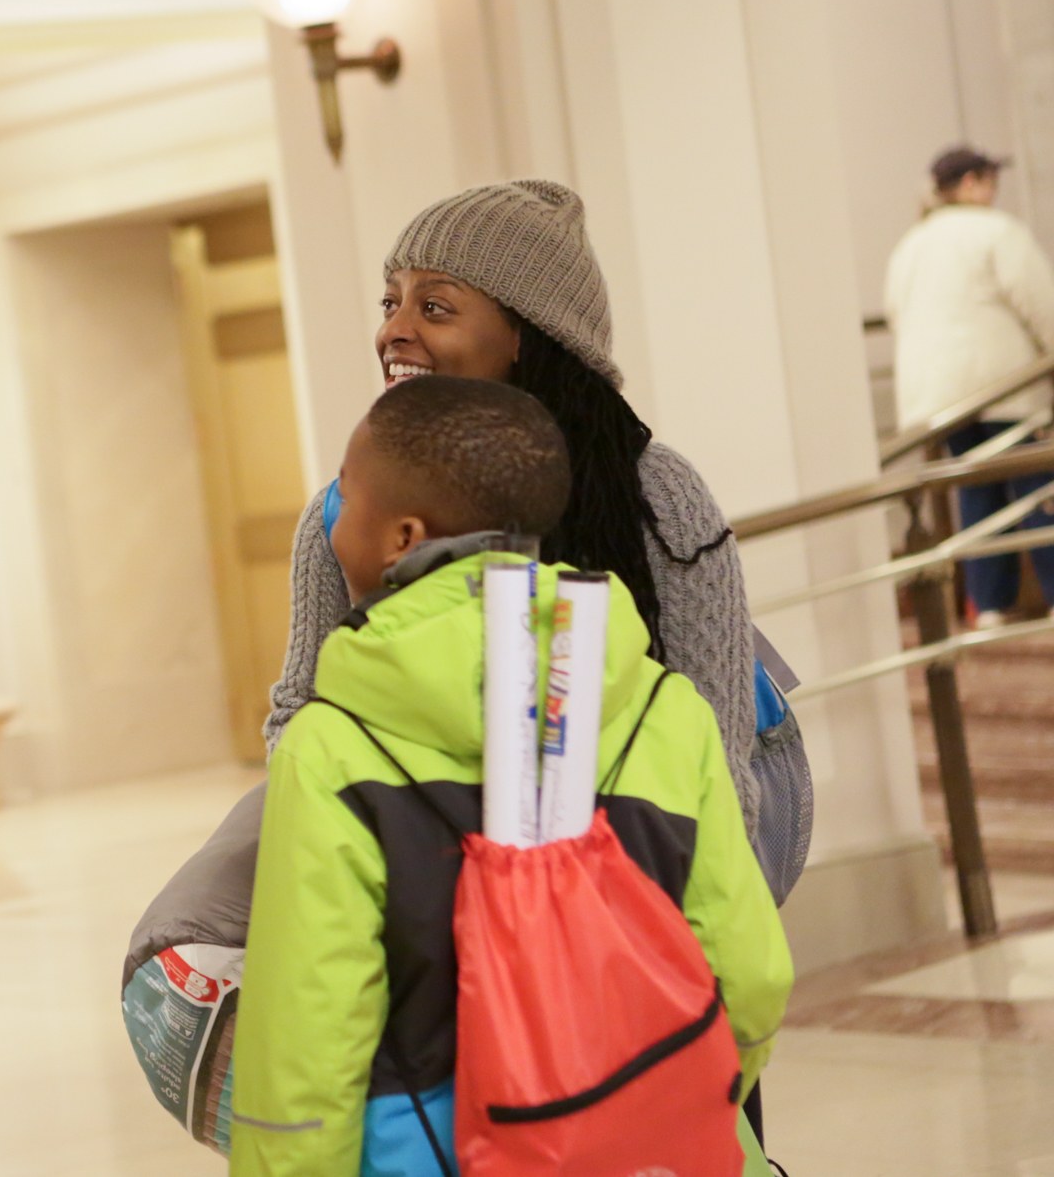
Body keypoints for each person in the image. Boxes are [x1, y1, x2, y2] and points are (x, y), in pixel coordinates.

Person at [124, 179, 809, 1150]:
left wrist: (632, 992)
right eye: (389, 301)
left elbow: (719, 787)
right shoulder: (344, 512)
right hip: (424, 867)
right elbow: (297, 716)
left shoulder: (657, 498)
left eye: (433, 305)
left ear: (529, 337)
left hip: (635, 886)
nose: (394, 329)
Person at [227, 375, 792, 1176]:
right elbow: (751, 972)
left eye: (345, 502)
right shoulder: (663, 707)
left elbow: (308, 1034)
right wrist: (641, 1101)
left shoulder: (333, 746)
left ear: (401, 536)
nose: (334, 526)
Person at [885, 145, 1054, 626]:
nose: (993, 189)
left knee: (977, 495)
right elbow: (1041, 303)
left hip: (942, 399)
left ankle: (991, 607)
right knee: (1036, 489)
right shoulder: (997, 231)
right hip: (1004, 386)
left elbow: (898, 315)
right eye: (987, 178)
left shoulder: (911, 243)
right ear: (970, 184)